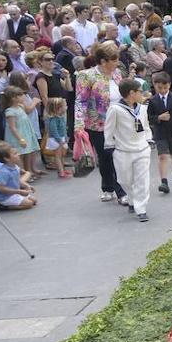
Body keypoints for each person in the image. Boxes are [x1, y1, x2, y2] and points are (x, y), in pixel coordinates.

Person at [75, 43, 128, 204]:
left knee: (116, 156)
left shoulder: (117, 73)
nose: (117, 63)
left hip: (119, 121)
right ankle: (112, 189)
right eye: (114, 60)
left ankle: (115, 188)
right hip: (97, 123)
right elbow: (81, 100)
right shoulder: (87, 75)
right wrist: (79, 123)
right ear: (103, 61)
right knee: (106, 157)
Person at [104, 78, 153, 222]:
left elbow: (146, 126)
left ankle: (141, 208)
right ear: (131, 93)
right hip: (122, 150)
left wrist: (149, 139)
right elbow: (109, 129)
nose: (142, 94)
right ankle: (132, 199)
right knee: (124, 180)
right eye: (140, 91)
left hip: (142, 149)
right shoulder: (115, 109)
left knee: (142, 180)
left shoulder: (142, 108)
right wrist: (109, 145)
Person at [0, 143, 37, 211]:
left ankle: (14, 200)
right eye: (15, 154)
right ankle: (1, 206)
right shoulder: (3, 172)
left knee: (34, 200)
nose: (18, 154)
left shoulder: (15, 167)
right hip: (4, 196)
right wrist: (19, 191)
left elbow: (16, 180)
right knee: (29, 204)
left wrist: (27, 186)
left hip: (13, 193)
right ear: (6, 158)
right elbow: (1, 189)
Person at [43, 97, 71, 178]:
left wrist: (65, 137)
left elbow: (64, 129)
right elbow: (53, 131)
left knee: (62, 155)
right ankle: (61, 172)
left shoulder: (61, 117)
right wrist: (59, 140)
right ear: (58, 108)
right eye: (64, 106)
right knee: (58, 156)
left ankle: (62, 169)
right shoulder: (53, 119)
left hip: (61, 138)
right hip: (56, 140)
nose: (66, 107)